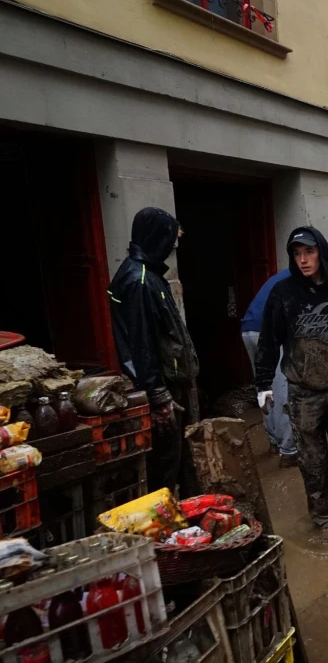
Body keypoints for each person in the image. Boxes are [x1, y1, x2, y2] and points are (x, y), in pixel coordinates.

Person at [254, 227, 328, 530]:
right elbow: (268, 341)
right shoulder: (283, 294)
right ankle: (323, 516)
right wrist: (263, 383)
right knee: (312, 461)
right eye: (297, 254)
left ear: (322, 252)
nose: (303, 260)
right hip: (303, 392)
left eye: (309, 252)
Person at [108, 207, 200, 495]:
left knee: (183, 455)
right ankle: (164, 523)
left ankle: (188, 511)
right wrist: (158, 395)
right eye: (170, 241)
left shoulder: (151, 275)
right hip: (163, 386)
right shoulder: (140, 280)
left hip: (172, 381)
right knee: (165, 461)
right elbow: (141, 342)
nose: (173, 248)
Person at [241, 268, 298, 468]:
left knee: (265, 387)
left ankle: (274, 442)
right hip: (268, 330)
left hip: (248, 329)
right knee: (285, 387)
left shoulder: (283, 275)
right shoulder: (303, 279)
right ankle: (289, 450)